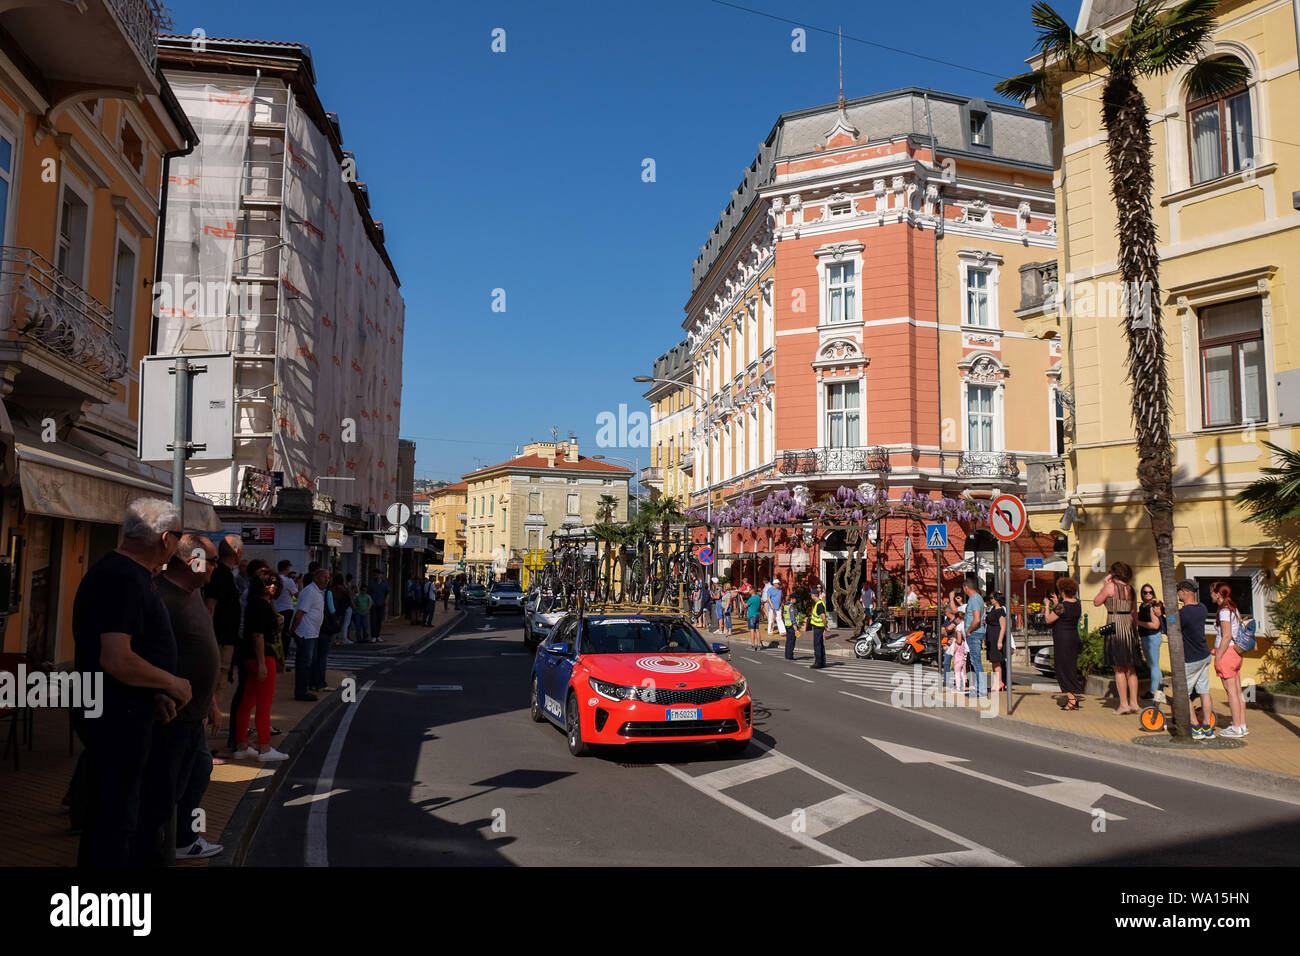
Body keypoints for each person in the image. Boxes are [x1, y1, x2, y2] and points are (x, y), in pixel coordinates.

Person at [72, 498, 190, 867]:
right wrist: (172, 682)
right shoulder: (121, 578)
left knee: (132, 814)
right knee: (114, 820)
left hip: (127, 708)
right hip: (115, 717)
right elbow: (117, 658)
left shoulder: (130, 575)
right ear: (168, 539)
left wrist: (152, 692)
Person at [157, 534, 225, 860]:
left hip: (195, 709)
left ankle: (182, 838)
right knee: (173, 782)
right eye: (210, 561)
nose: (214, 567)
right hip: (176, 714)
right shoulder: (163, 598)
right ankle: (171, 842)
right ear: (192, 562)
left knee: (199, 770)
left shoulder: (194, 593)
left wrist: (210, 700)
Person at [234, 566, 289, 762]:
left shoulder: (252, 603)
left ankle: (242, 745)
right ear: (260, 585)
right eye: (268, 583)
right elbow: (258, 635)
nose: (273, 586)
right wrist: (262, 664)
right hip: (263, 656)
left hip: (248, 656)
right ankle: (265, 748)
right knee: (264, 704)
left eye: (275, 582)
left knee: (248, 701)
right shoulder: (263, 605)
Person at [203, 535, 242, 761]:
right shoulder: (220, 575)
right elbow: (211, 606)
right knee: (213, 692)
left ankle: (204, 746)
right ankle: (203, 747)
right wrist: (209, 638)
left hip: (223, 640)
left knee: (218, 689)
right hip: (218, 641)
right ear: (237, 553)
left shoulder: (223, 575)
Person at [1094, 561, 1141, 714]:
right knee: (1131, 668)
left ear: (1113, 573)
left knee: (1119, 668)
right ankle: (1135, 703)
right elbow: (1134, 612)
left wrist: (1104, 584)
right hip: (1128, 626)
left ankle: (1124, 704)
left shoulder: (1110, 587)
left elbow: (1096, 602)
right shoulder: (1131, 589)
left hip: (1115, 625)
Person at [1176, 581, 1215, 739]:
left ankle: (1194, 726)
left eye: (1179, 591)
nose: (1178, 594)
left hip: (1191, 659)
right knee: (1204, 691)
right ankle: (1207, 726)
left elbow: (1172, 626)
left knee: (1183, 693)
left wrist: (1160, 616)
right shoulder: (1202, 608)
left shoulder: (1184, 613)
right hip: (1204, 655)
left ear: (1185, 592)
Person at [1210, 582, 1249, 738]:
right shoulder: (1234, 609)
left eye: (1212, 592)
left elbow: (1226, 636)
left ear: (1218, 594)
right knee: (1238, 692)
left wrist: (1218, 656)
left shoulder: (1224, 612)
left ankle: (1236, 726)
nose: (1210, 595)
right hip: (1236, 653)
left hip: (1226, 653)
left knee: (1231, 693)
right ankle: (1242, 725)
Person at [291, 568, 329, 701]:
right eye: (324, 577)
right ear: (316, 578)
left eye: (328, 577)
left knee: (308, 662)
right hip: (305, 633)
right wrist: (292, 631)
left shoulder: (317, 592)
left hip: (312, 632)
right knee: (304, 662)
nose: (326, 580)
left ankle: (304, 689)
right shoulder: (310, 592)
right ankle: (301, 691)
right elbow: (299, 613)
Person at [1045, 578, 1084, 709]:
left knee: (1061, 668)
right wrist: (1056, 603)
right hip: (1073, 637)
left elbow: (1049, 619)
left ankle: (1072, 700)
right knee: (1070, 667)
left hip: (1062, 639)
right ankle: (1073, 695)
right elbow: (1063, 614)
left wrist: (1046, 606)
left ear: (1062, 591)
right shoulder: (1077, 603)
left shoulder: (1063, 606)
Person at [1137, 583, 1166, 702]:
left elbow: (1155, 625)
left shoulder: (1153, 606)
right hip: (1146, 637)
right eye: (1145, 592)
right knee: (1152, 665)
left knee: (1154, 665)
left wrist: (1138, 623)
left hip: (1152, 637)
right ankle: (1158, 689)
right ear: (1142, 594)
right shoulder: (1143, 606)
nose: (1148, 594)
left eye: (1150, 592)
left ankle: (1154, 691)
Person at [962, 576, 986, 697]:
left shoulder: (974, 599)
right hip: (976, 633)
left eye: (964, 588)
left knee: (976, 662)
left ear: (966, 587)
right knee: (975, 661)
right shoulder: (977, 598)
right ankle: (978, 687)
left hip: (974, 633)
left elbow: (976, 619)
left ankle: (981, 690)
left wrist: (969, 630)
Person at [274, 559, 297, 656]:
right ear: (286, 569)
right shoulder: (289, 581)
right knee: (285, 634)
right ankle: (284, 656)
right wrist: (299, 583)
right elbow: (296, 595)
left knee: (276, 632)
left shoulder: (273, 579)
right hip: (287, 609)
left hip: (275, 609)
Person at [986, 591, 1008, 692]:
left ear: (996, 599)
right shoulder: (992, 610)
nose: (991, 600)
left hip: (996, 636)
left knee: (997, 660)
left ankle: (999, 682)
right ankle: (996, 682)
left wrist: (1000, 641)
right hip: (991, 636)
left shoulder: (1000, 611)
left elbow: (1003, 627)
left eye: (992, 598)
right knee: (993, 661)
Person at [809, 584, 829, 668]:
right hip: (819, 627)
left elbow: (823, 616)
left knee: (817, 645)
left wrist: (825, 626)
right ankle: (822, 662)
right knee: (820, 644)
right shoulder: (819, 603)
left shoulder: (819, 604)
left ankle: (818, 663)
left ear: (814, 595)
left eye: (811, 595)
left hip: (818, 627)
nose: (811, 596)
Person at [782, 595, 798, 660]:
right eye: (795, 598)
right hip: (791, 625)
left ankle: (787, 655)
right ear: (792, 599)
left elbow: (784, 615)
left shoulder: (786, 606)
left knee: (788, 641)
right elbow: (792, 617)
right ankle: (790, 655)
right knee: (792, 641)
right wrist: (795, 626)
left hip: (787, 625)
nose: (796, 600)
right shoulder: (791, 606)